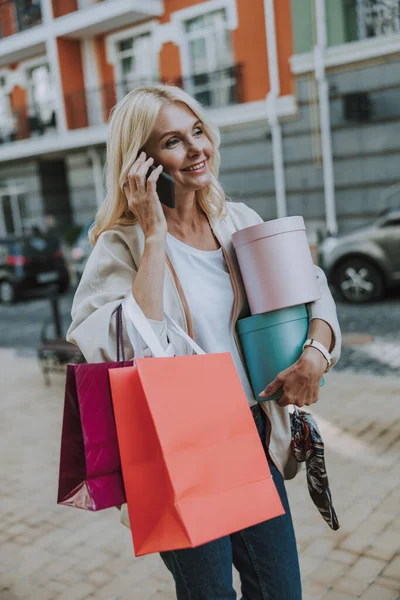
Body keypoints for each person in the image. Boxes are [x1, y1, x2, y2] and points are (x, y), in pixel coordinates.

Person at [67, 85, 341, 600]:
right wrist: (152, 236)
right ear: (140, 164)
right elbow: (127, 348)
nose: (197, 149)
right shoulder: (120, 244)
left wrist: (314, 357)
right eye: (173, 141)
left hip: (250, 430)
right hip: (174, 446)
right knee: (210, 593)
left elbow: (316, 295)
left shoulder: (238, 223)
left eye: (197, 131)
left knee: (280, 590)